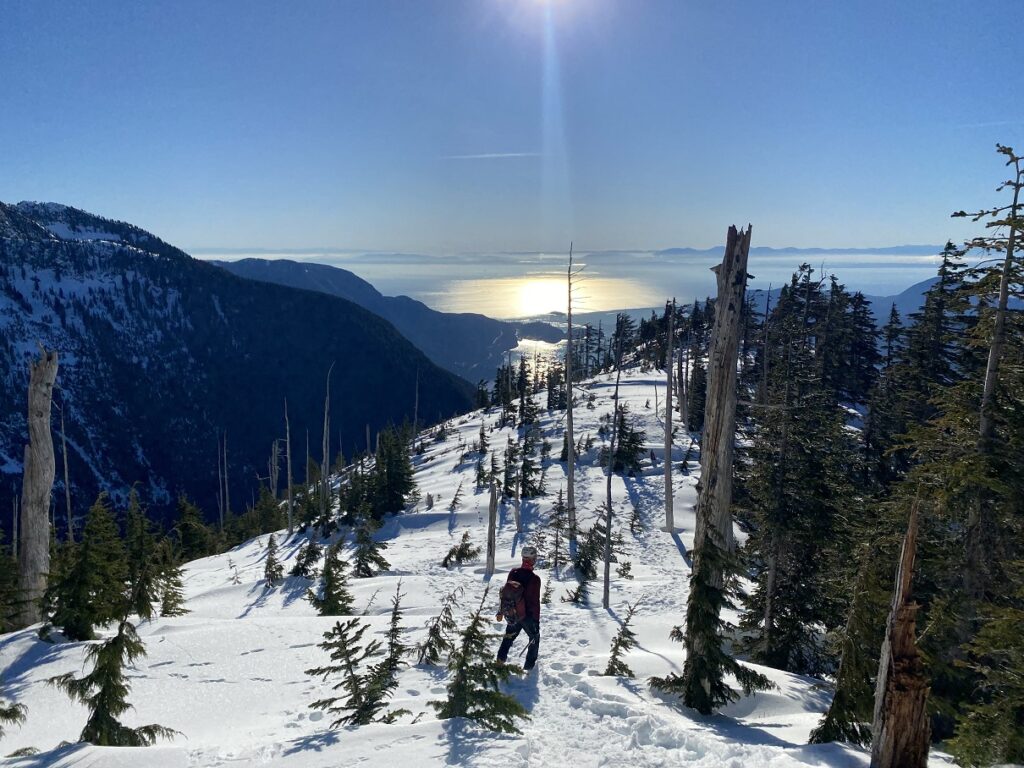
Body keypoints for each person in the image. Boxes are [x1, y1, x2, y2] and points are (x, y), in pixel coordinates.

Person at [495, 545, 541, 671]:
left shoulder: (513, 572)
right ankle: (528, 668)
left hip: (513, 613)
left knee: (508, 638)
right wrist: (536, 622)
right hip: (527, 617)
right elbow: (534, 603)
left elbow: (505, 594)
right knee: (534, 639)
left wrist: (501, 611)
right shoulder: (535, 579)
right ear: (533, 560)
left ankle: (499, 661)